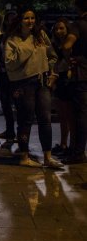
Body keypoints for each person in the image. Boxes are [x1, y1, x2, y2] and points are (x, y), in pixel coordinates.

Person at [4, 8, 63, 168]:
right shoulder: (12, 40)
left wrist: (50, 71)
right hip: (23, 84)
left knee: (46, 119)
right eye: (26, 18)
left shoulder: (41, 35)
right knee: (25, 120)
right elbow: (10, 64)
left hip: (41, 82)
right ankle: (24, 156)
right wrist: (29, 46)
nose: (30, 21)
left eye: (32, 18)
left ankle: (47, 157)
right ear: (20, 20)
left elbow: (53, 56)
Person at [62, 0, 87, 164]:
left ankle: (78, 152)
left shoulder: (78, 25)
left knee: (81, 114)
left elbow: (67, 44)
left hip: (82, 73)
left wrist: (70, 56)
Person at [0, 10, 18, 156]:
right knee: (6, 103)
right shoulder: (1, 38)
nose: (12, 22)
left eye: (15, 19)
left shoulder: (22, 37)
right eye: (10, 19)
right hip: (3, 73)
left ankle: (20, 133)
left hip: (19, 76)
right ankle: (10, 131)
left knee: (20, 103)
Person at [50, 17, 74, 157]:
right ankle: (64, 144)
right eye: (57, 29)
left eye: (62, 28)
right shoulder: (54, 44)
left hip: (68, 79)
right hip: (58, 79)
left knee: (70, 116)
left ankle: (72, 146)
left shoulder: (71, 44)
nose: (59, 31)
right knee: (62, 116)